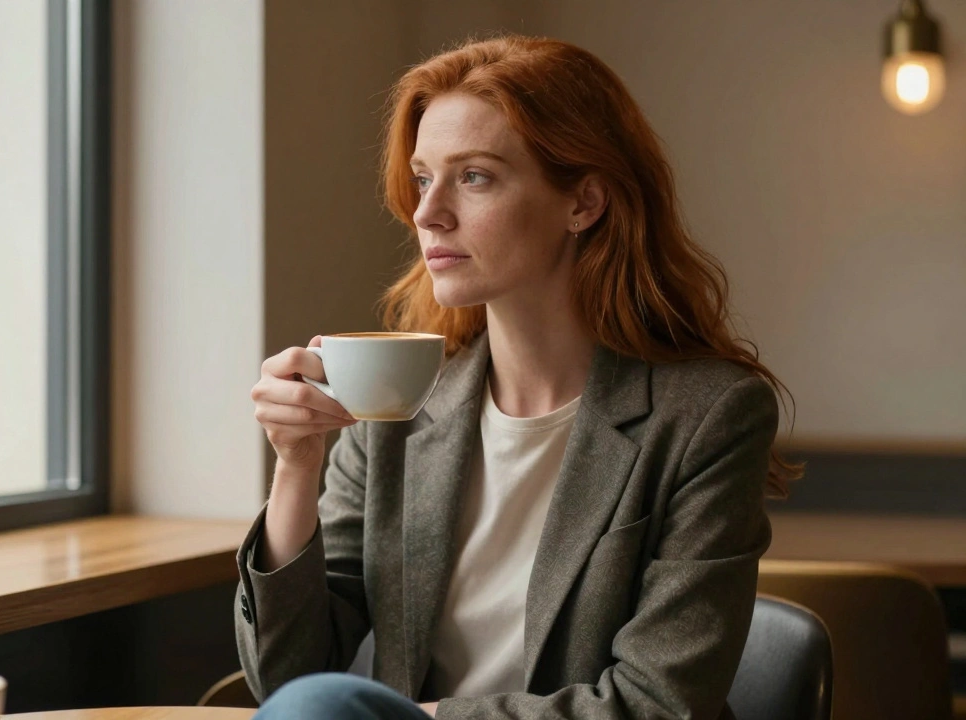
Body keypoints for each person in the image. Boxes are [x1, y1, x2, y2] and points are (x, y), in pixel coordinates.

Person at [239, 34, 800, 720]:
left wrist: (424, 719)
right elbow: (284, 676)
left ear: (583, 202)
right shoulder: (399, 411)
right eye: (422, 178)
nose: (427, 212)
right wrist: (296, 467)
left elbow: (660, 706)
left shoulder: (708, 416)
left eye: (473, 176)